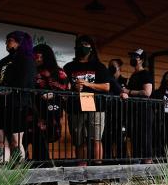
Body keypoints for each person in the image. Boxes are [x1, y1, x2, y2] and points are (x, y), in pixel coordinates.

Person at [62, 35, 110, 164]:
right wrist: (73, 88)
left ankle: (97, 169)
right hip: (75, 104)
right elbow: (64, 87)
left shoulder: (99, 66)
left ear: (91, 48)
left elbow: (106, 86)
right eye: (80, 44)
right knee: (79, 139)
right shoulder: (68, 67)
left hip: (94, 103)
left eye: (86, 44)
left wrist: (88, 84)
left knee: (96, 138)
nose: (83, 47)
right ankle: (81, 169)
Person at [0, 31, 36, 162]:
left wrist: (5, 91)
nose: (6, 43)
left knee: (16, 140)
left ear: (19, 42)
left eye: (9, 40)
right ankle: (3, 170)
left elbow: (25, 83)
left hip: (18, 104)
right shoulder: (3, 61)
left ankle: (18, 172)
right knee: (0, 139)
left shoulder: (27, 60)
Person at [29, 44, 68, 162]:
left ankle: (42, 164)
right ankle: (37, 164)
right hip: (32, 109)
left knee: (43, 137)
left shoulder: (59, 72)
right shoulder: (32, 71)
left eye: (38, 56)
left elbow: (65, 92)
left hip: (50, 111)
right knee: (32, 137)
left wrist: (53, 94)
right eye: (34, 56)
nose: (36, 59)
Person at [124, 48, 154, 163]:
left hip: (144, 110)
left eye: (135, 57)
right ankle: (136, 165)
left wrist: (129, 92)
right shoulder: (133, 75)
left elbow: (147, 92)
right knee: (135, 137)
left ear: (141, 60)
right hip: (133, 111)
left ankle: (148, 165)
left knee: (145, 138)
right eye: (131, 56)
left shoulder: (145, 73)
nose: (132, 59)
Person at [103, 58, 126, 160]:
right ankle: (107, 159)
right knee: (106, 137)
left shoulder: (124, 81)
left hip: (120, 114)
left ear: (119, 68)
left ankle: (121, 159)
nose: (111, 68)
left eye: (113, 66)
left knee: (120, 138)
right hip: (108, 113)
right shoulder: (106, 79)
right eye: (109, 65)